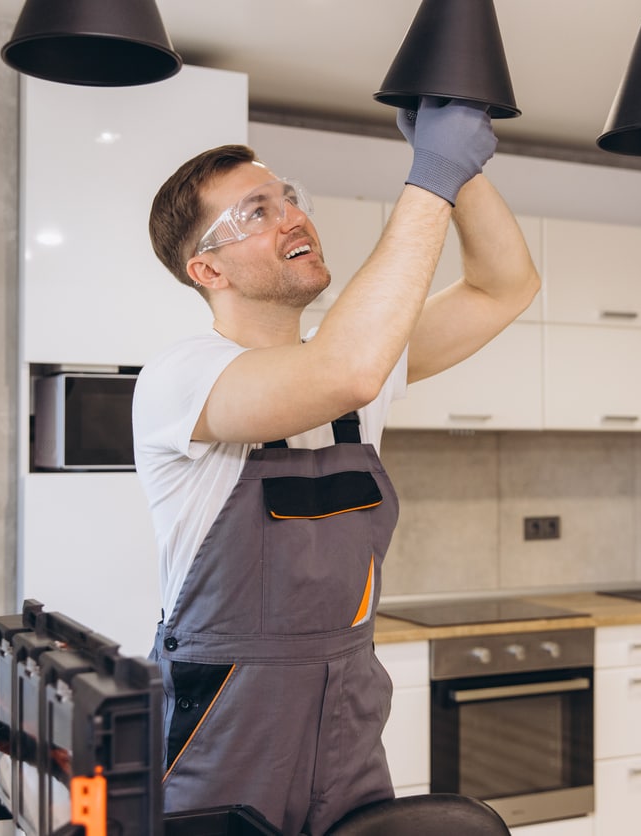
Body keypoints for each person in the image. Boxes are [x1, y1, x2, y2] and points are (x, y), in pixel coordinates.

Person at [133, 97, 539, 835]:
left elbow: (501, 287)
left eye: (288, 198)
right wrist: (432, 174)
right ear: (206, 269)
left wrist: (465, 172)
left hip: (347, 706)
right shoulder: (182, 377)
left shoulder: (358, 365)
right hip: (226, 719)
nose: (292, 215)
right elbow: (342, 370)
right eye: (255, 212)